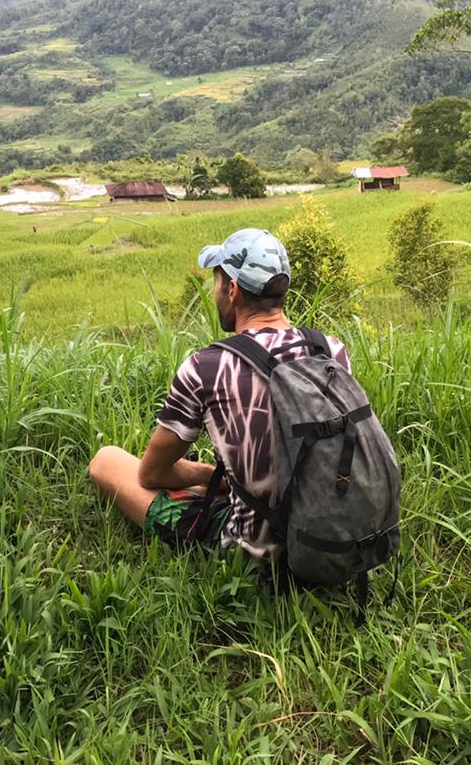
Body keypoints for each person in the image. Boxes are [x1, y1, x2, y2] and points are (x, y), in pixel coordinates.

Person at [88, 228, 350, 558]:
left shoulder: (206, 367)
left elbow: (151, 474)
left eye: (217, 280)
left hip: (258, 549)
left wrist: (210, 474)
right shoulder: (331, 350)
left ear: (233, 290)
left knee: (106, 460)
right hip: (335, 533)